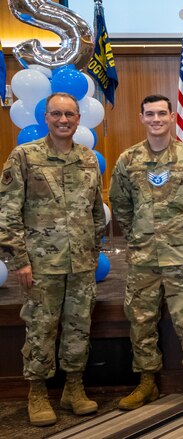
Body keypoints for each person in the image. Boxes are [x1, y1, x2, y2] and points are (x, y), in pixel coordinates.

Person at [0, 92, 106, 426]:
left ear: (78, 118)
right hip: (41, 265)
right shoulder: (25, 156)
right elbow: (7, 213)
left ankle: (73, 388)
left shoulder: (88, 158)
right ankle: (37, 392)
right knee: (41, 329)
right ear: (45, 117)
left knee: (78, 328)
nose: (63, 120)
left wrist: (93, 250)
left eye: (70, 115)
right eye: (56, 114)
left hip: (81, 264)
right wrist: (19, 260)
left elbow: (95, 212)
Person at [109, 95, 183, 410]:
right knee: (141, 320)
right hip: (143, 257)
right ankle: (146, 381)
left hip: (182, 256)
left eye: (161, 113)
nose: (156, 119)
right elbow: (120, 204)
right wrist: (136, 237)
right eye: (150, 114)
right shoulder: (128, 160)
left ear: (172, 117)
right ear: (141, 118)